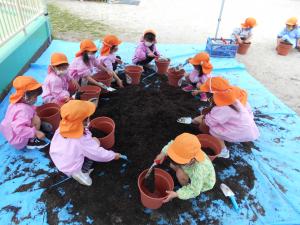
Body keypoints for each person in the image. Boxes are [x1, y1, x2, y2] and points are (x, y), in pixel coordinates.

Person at [49, 100, 121, 186]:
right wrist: (113, 155)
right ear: (83, 122)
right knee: (95, 142)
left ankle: (75, 170)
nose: (89, 118)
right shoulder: (81, 140)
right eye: (88, 117)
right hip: (71, 167)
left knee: (91, 143)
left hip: (59, 159)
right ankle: (82, 173)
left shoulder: (63, 126)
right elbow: (98, 153)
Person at [192, 77, 260, 158]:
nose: (206, 96)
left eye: (207, 94)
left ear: (212, 95)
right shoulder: (231, 96)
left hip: (241, 132)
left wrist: (197, 120)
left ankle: (224, 152)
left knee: (213, 130)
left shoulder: (221, 109)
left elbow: (209, 122)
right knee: (215, 120)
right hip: (248, 125)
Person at [154, 133, 216, 202]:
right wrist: (162, 154)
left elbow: (195, 190)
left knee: (180, 174)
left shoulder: (198, 170)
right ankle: (183, 176)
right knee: (172, 165)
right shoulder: (186, 150)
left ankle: (185, 186)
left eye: (180, 161)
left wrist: (177, 194)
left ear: (192, 160)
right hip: (190, 170)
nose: (177, 162)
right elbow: (171, 145)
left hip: (201, 183)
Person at [0, 76, 48, 150]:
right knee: (36, 119)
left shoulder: (15, 102)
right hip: (18, 140)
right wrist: (35, 132)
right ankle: (30, 141)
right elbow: (19, 129)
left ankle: (31, 133)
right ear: (25, 96)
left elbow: (29, 109)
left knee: (34, 116)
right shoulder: (23, 111)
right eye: (34, 97)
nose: (36, 99)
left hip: (10, 133)